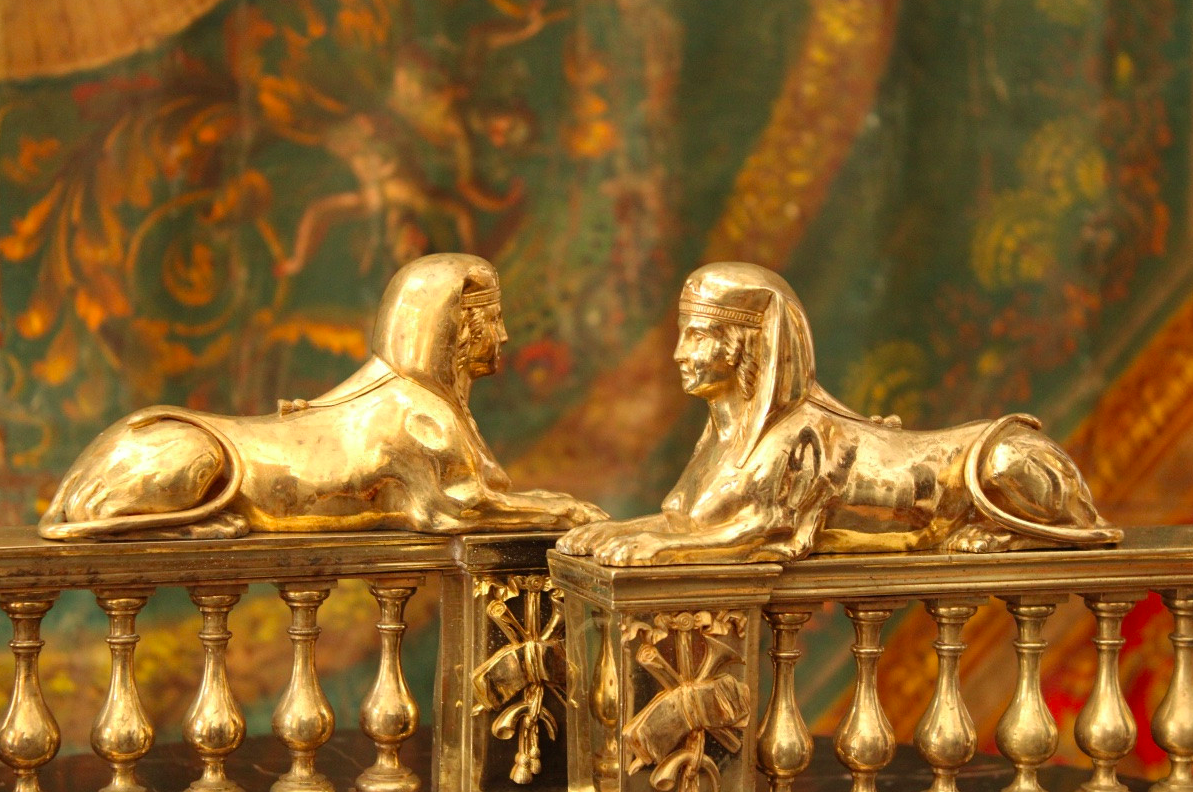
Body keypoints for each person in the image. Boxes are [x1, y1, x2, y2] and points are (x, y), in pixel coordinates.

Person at [557, 261, 1120, 566]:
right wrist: (626, 530)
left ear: (746, 346)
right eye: (684, 334)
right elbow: (691, 517)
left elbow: (764, 529)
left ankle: (1022, 534)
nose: (681, 354)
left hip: (975, 466)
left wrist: (664, 548)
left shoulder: (800, 436)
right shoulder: (723, 437)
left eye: (699, 336)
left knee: (1003, 463)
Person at [41, 253, 606, 540]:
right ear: (454, 328)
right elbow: (458, 510)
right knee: (195, 455)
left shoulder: (412, 403)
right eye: (491, 321)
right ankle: (157, 517)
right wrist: (562, 509)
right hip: (199, 455)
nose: (503, 337)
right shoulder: (416, 417)